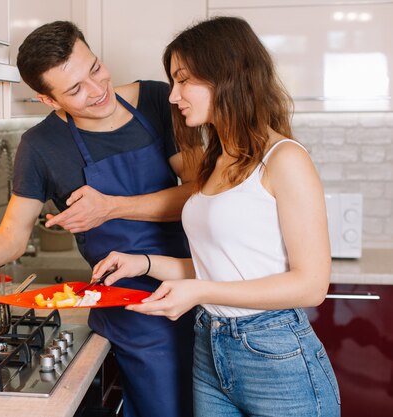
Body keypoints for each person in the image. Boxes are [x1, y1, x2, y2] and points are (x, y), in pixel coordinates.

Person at [92, 16, 341, 417]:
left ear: (226, 76)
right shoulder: (215, 160)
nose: (173, 96)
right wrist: (146, 263)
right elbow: (223, 268)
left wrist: (201, 292)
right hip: (210, 346)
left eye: (184, 80)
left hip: (276, 354)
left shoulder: (285, 160)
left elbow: (311, 286)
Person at [0, 21, 197, 417]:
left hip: (197, 283)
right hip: (131, 315)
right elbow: (12, 239)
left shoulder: (155, 100)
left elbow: (200, 195)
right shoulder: (41, 146)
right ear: (48, 100)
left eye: (95, 69)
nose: (97, 91)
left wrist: (111, 206)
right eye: (75, 90)